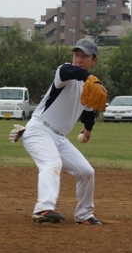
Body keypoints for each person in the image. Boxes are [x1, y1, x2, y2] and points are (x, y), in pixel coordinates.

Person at [19, 38, 104, 225]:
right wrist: (89, 77)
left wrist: (88, 129)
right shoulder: (65, 72)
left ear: (94, 60)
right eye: (76, 55)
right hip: (39, 130)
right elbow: (69, 71)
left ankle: (84, 215)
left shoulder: (90, 87)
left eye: (84, 56)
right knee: (52, 163)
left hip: (59, 138)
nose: (79, 59)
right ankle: (43, 209)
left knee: (86, 171)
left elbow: (89, 112)